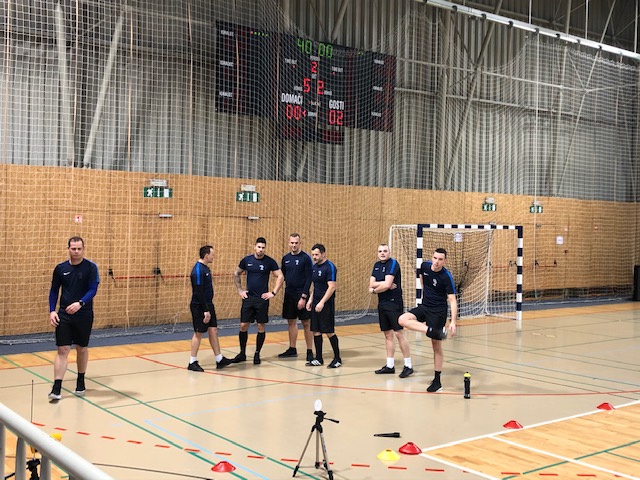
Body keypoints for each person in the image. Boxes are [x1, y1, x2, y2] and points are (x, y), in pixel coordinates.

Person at [48, 236, 100, 402]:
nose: (76, 251)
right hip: (64, 314)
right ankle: (57, 387)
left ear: (83, 249)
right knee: (62, 349)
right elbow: (54, 290)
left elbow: (93, 289)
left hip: (84, 314)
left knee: (81, 348)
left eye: (79, 249)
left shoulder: (91, 268)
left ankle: (81, 379)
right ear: (68, 249)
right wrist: (52, 311)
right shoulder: (60, 268)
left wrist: (80, 303)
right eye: (73, 248)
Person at [399, 248, 457, 392]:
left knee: (436, 346)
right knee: (402, 319)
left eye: (440, 259)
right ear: (432, 257)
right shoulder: (424, 266)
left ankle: (437, 382)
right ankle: (432, 330)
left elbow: (452, 300)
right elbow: (423, 282)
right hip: (425, 307)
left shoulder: (446, 276)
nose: (437, 262)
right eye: (435, 258)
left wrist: (453, 322)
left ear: (444, 261)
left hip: (438, 312)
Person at [232, 237, 284, 365]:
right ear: (254, 247)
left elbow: (280, 276)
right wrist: (240, 290)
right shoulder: (247, 260)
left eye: (263, 248)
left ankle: (257, 353)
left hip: (262, 300)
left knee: (260, 326)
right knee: (243, 325)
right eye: (259, 247)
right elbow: (236, 273)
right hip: (249, 299)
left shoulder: (269, 262)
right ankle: (242, 353)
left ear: (265, 248)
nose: (261, 250)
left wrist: (273, 293)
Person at [369, 244, 413, 378]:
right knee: (388, 334)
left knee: (399, 333)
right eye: (380, 251)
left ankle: (408, 365)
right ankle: (390, 365)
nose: (382, 253)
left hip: (394, 303)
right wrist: (382, 285)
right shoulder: (376, 265)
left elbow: (386, 285)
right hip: (382, 303)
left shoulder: (393, 263)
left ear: (389, 252)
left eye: (385, 251)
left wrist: (375, 290)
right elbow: (372, 284)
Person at [187, 245, 233, 372]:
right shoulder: (198, 270)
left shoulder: (206, 268)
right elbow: (198, 291)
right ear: (206, 255)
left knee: (213, 330)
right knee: (199, 333)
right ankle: (192, 362)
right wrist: (205, 310)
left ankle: (219, 359)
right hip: (199, 306)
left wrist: (208, 307)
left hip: (208, 304)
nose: (214, 256)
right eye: (212, 254)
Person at [278, 234, 314, 362]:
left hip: (301, 294)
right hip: (289, 295)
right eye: (292, 243)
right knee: (291, 321)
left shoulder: (306, 258)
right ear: (289, 243)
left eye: (296, 243)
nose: (294, 245)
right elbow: (282, 276)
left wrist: (303, 297)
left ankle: (309, 351)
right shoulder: (285, 259)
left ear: (300, 243)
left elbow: (309, 278)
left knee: (306, 322)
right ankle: (292, 349)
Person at [305, 244, 341, 368]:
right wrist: (310, 300)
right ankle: (319, 358)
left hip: (326, 304)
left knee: (329, 331)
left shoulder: (330, 267)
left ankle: (337, 358)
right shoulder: (315, 267)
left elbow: (332, 287)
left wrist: (322, 302)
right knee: (316, 331)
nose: (314, 257)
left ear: (323, 254)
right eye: (313, 255)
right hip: (315, 303)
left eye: (316, 254)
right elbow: (316, 286)